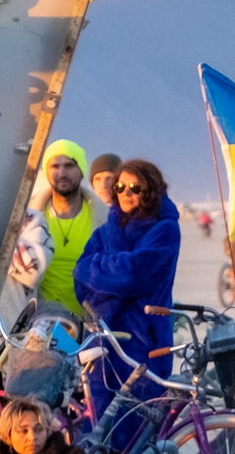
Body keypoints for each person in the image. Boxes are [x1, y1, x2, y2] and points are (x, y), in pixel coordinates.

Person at [73, 158, 181, 416]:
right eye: (120, 187)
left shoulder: (165, 229)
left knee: (140, 421)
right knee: (101, 421)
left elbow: (132, 275)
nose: (126, 193)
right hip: (104, 335)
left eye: (135, 187)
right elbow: (79, 274)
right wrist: (113, 273)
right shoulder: (106, 230)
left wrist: (100, 269)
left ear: (151, 191)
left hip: (146, 338)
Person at [16, 139, 104, 321]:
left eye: (69, 165)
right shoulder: (27, 218)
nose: (62, 173)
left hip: (88, 325)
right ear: (46, 172)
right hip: (36, 322)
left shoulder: (104, 218)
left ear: (82, 170)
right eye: (54, 166)